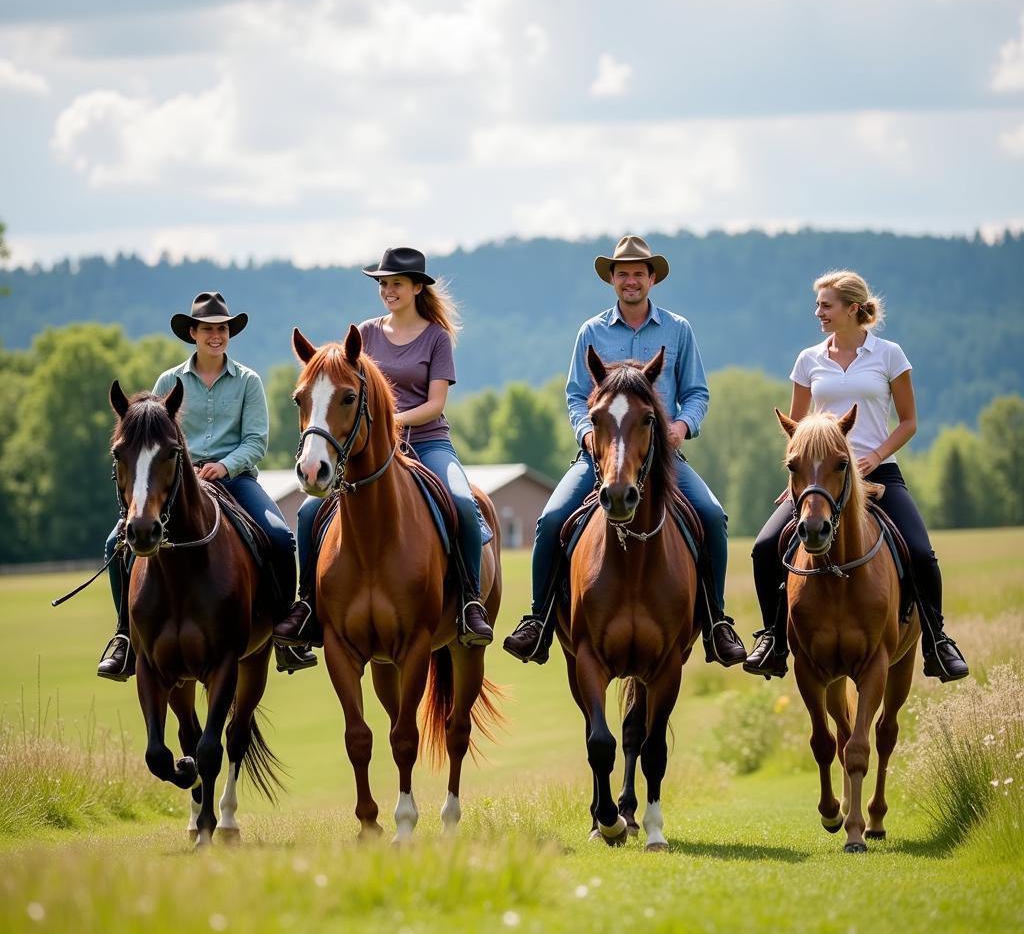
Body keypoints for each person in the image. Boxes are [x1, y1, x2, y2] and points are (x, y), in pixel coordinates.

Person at [503, 234, 747, 667]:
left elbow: (697, 393)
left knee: (712, 515)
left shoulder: (679, 329)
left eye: (638, 273)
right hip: (597, 457)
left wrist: (680, 426)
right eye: (622, 274)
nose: (630, 280)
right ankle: (538, 621)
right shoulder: (591, 332)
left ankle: (717, 623)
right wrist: (585, 434)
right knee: (550, 519)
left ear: (652, 278)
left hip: (661, 457)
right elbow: (577, 395)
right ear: (611, 280)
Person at [744, 269, 969, 682]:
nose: (818, 313)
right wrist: (799, 476)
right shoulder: (807, 360)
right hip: (819, 478)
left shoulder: (889, 355)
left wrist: (876, 457)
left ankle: (937, 641)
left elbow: (909, 421)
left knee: (920, 552)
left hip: (878, 469)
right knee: (763, 548)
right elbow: (795, 427)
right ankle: (773, 639)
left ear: (852, 308)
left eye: (826, 305)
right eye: (818, 305)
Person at [273, 247, 494, 647]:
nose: (388, 290)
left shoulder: (436, 337)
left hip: (427, 443)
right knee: (308, 512)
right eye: (383, 284)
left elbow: (436, 404)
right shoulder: (367, 334)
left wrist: (393, 423)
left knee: (462, 501)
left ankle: (470, 603)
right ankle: (306, 604)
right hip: (369, 451)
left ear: (415, 288)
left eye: (396, 284)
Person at [96, 291, 316, 681]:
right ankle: (125, 636)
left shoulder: (248, 381)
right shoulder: (169, 380)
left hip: (236, 481)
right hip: (178, 485)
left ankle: (286, 635)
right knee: (116, 542)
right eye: (208, 329)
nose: (217, 336)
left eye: (223, 329)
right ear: (193, 333)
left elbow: (256, 441)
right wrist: (185, 470)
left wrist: (224, 466)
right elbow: (151, 441)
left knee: (280, 535)